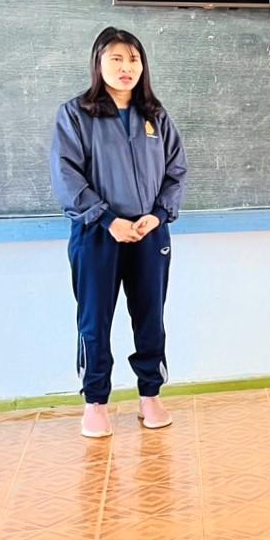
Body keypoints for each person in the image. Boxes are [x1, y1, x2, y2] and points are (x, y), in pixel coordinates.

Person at [51, 28, 187, 439]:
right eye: (116, 59)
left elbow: (176, 171)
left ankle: (150, 395)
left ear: (143, 66)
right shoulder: (75, 114)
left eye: (133, 59)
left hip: (148, 233)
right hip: (97, 234)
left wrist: (159, 214)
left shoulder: (156, 116)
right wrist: (108, 219)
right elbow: (66, 174)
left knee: (150, 317)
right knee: (95, 320)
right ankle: (95, 401)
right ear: (98, 63)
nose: (125, 68)